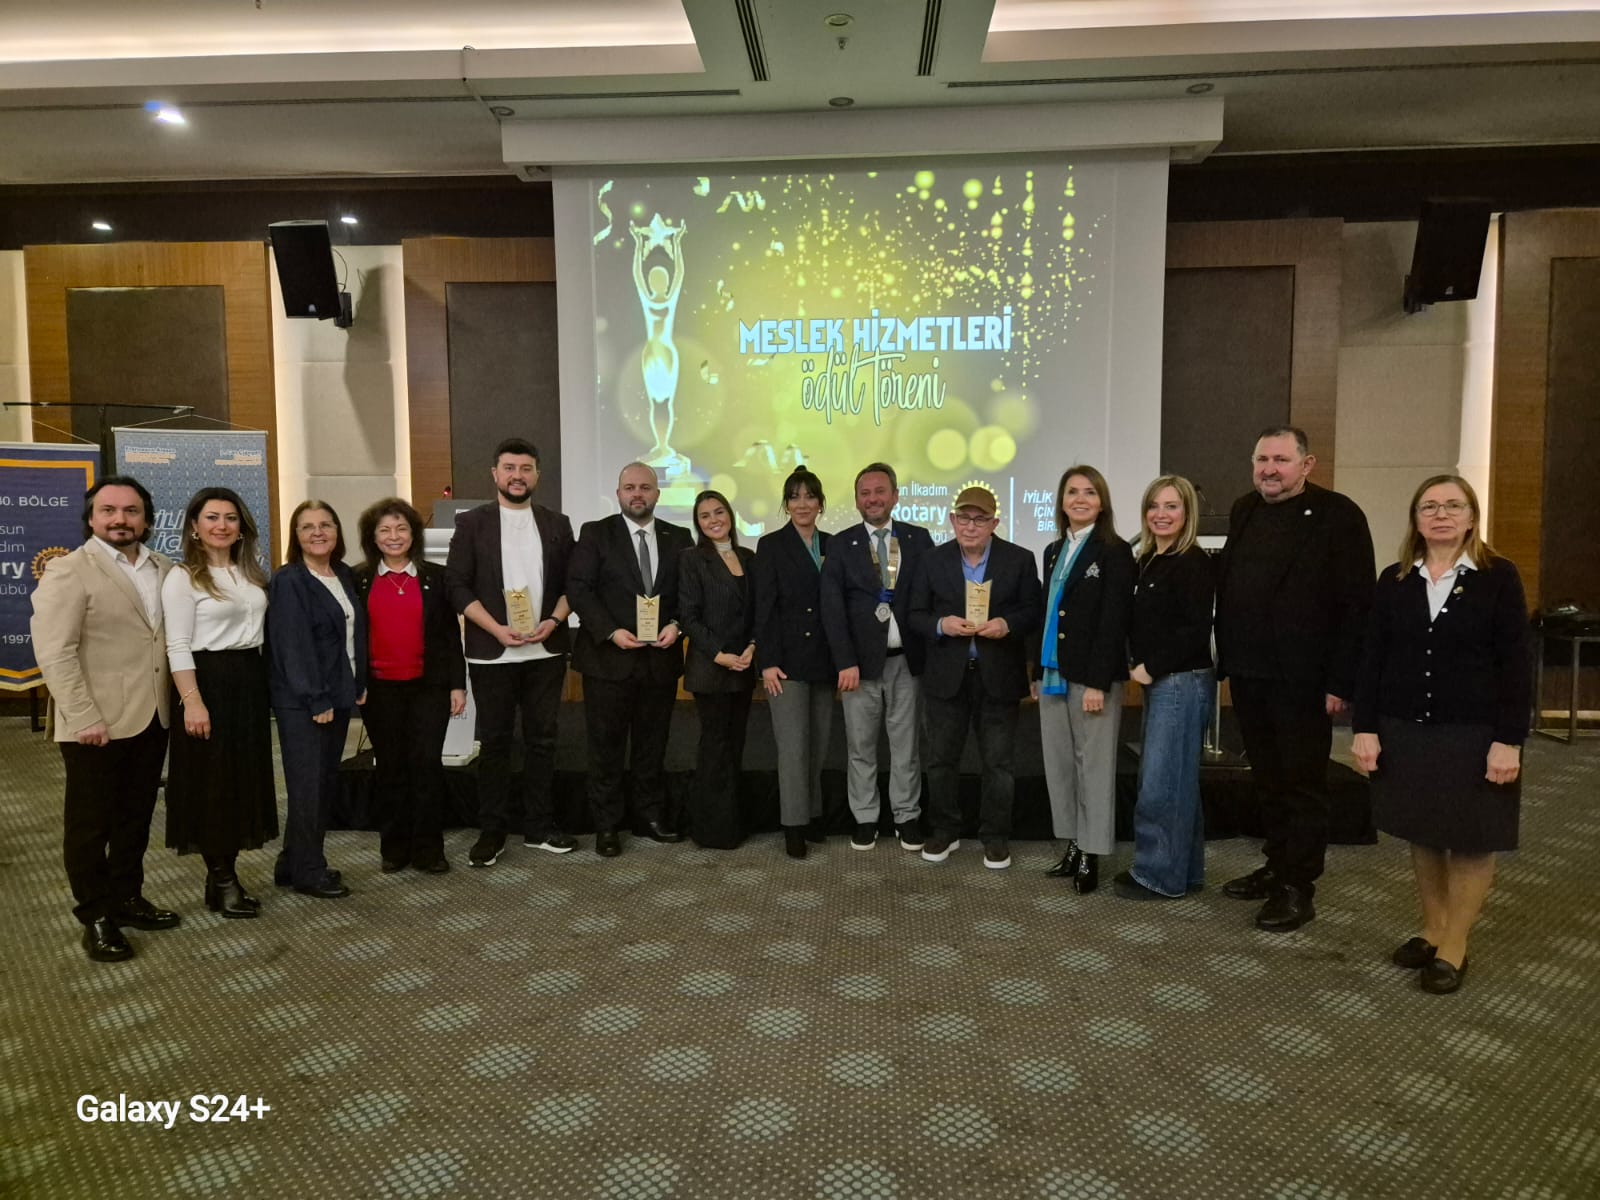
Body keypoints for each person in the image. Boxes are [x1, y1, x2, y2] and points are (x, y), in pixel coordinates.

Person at [1352, 476, 1529, 995]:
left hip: (1475, 733)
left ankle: (1454, 944)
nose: (1441, 514)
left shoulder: (1498, 577)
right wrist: (1365, 728)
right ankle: (1432, 929)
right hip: (1406, 729)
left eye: (1454, 505)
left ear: (1472, 517)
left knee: (1472, 838)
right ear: (1416, 519)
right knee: (1424, 832)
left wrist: (1509, 739)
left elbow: (1516, 664)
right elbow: (1373, 658)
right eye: (1429, 506)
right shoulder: (1395, 579)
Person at [1214, 425, 1374, 932]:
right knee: (1268, 779)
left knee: (1302, 783)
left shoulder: (1338, 515)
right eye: (1262, 459)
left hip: (1304, 679)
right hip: (1250, 672)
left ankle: (1297, 886)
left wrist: (1341, 682)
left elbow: (1356, 606)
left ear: (1307, 465)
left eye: (1281, 460)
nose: (1270, 469)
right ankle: (1276, 864)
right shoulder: (1245, 509)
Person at [31, 477, 179, 961]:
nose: (120, 519)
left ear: (146, 519)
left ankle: (127, 897)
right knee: (90, 825)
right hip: (94, 723)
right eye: (109, 510)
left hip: (152, 716)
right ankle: (95, 914)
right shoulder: (69, 570)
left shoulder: (164, 568)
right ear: (92, 519)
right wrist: (83, 716)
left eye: (131, 511)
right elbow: (55, 652)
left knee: (135, 817)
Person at [444, 439, 576, 868]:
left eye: (526, 468)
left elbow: (573, 585)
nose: (517, 475)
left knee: (542, 741)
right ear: (495, 474)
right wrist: (496, 629)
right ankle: (492, 831)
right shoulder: (472, 523)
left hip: (545, 650)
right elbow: (456, 586)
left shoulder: (557, 523)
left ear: (537, 475)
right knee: (495, 743)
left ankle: (539, 826)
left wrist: (553, 621)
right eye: (509, 468)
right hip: (492, 652)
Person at [909, 487, 1041, 868]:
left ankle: (995, 836)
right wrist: (941, 624)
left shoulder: (1019, 559)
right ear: (952, 520)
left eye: (980, 519)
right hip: (946, 677)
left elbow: (1033, 611)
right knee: (940, 760)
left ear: (994, 523)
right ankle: (944, 830)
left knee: (998, 763)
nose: (971, 526)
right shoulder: (932, 560)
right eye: (964, 518)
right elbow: (914, 614)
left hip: (997, 675)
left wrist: (1006, 624)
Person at [567, 462, 693, 857]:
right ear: (618, 493)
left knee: (652, 745)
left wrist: (677, 625)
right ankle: (607, 825)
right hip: (608, 660)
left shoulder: (679, 537)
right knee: (605, 747)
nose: (637, 494)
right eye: (629, 487)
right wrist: (610, 631)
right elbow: (579, 589)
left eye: (645, 487)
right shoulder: (595, 533)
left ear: (657, 494)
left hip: (660, 660)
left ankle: (649, 816)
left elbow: (689, 594)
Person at [161, 486, 275, 919]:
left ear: (241, 527)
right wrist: (192, 702)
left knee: (241, 780)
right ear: (194, 526)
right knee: (212, 785)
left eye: (230, 518)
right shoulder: (183, 577)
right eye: (212, 517)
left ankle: (221, 877)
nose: (221, 525)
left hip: (248, 681)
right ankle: (223, 879)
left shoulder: (252, 573)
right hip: (206, 682)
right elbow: (177, 644)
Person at [819, 462, 934, 851]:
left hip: (908, 661)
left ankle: (906, 816)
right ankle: (865, 817)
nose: (873, 499)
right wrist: (844, 661)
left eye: (880, 491)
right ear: (856, 500)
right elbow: (832, 608)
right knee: (861, 747)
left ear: (895, 496)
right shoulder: (840, 544)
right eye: (865, 493)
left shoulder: (919, 539)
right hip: (859, 666)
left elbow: (931, 596)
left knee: (906, 746)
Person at [1114, 476, 1216, 901]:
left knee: (1161, 783)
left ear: (1187, 512)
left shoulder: (1192, 561)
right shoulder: (1150, 559)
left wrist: (1149, 667)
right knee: (1177, 780)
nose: (1161, 514)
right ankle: (1183, 872)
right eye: (1154, 506)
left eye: (1172, 506)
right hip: (1166, 682)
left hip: (1180, 682)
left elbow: (1194, 630)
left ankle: (1157, 875)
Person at [355, 497, 467, 875]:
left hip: (429, 688)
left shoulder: (437, 577)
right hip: (378, 691)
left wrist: (457, 685)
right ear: (373, 537)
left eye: (401, 528)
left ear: (414, 534)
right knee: (390, 768)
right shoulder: (359, 579)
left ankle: (429, 850)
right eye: (385, 530)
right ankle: (394, 847)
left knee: (426, 767)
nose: (394, 536)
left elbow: (450, 637)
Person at [1035, 465, 1133, 894]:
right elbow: (1048, 614)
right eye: (1072, 492)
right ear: (1061, 501)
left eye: (1089, 492)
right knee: (1061, 766)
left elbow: (1114, 621)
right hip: (1054, 674)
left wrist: (1098, 681)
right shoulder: (1053, 550)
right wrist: (1037, 672)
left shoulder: (1114, 551)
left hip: (1093, 679)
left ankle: (1092, 853)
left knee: (1093, 767)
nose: (1080, 499)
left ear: (1102, 502)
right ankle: (1073, 844)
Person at [268, 500, 367, 899]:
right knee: (308, 787)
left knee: (322, 783)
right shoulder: (289, 580)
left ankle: (292, 862)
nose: (317, 532)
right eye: (307, 526)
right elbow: (292, 646)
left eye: (325, 524)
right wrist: (315, 698)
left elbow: (350, 636)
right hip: (305, 702)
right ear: (296, 536)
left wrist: (358, 682)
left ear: (337, 531)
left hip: (337, 695)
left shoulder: (342, 574)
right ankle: (310, 871)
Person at [754, 469, 835, 859]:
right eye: (795, 497)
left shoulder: (833, 544)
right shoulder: (771, 545)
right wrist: (767, 662)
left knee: (818, 745)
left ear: (820, 503)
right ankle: (793, 825)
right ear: (786, 504)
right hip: (785, 663)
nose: (803, 504)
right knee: (793, 748)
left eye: (810, 496)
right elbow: (764, 607)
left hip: (825, 660)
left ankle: (813, 815)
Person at [678, 489, 757, 849]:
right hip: (710, 668)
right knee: (715, 748)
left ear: (730, 515)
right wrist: (720, 654)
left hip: (744, 665)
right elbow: (689, 616)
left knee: (735, 745)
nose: (714, 520)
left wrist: (752, 646)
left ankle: (733, 823)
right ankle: (711, 830)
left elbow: (759, 610)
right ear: (698, 523)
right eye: (705, 515)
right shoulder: (691, 559)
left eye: (719, 512)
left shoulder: (749, 557)